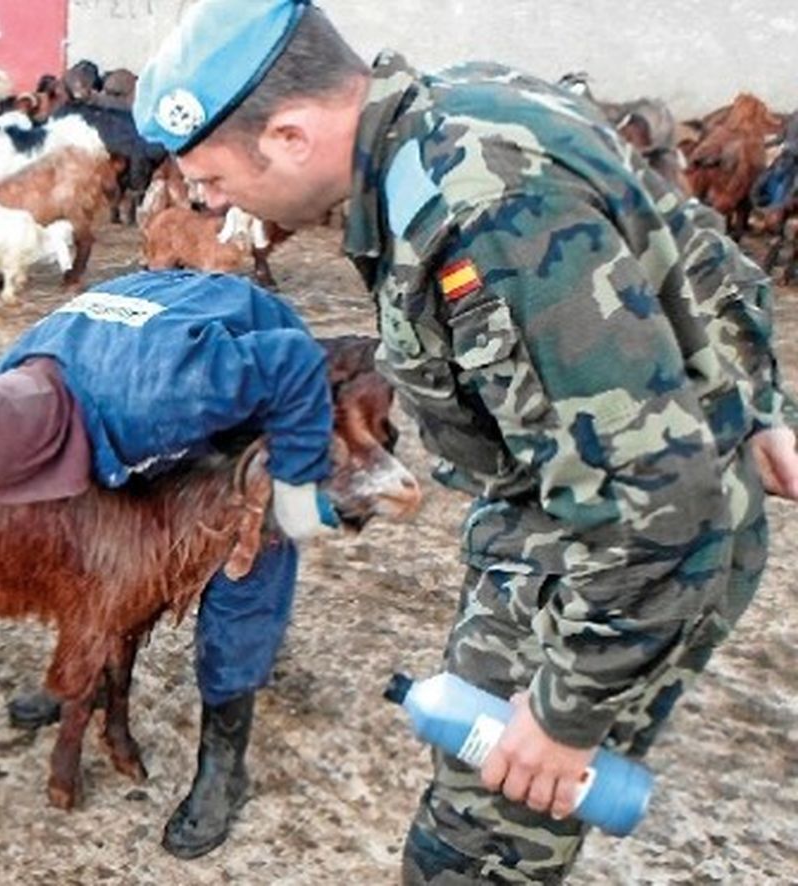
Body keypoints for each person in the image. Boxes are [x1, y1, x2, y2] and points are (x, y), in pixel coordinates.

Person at [133, 1, 798, 881]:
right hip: (579, 524)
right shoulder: (467, 103)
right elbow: (690, 242)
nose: (207, 203)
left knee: (479, 848)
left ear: (290, 136)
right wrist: (755, 399)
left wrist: (564, 717)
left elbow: (657, 504)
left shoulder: (482, 217)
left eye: (210, 179)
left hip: (614, 567)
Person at [0, 270, 343, 858]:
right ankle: (78, 678)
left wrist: (295, 476)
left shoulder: (162, 395)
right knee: (108, 559)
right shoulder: (1, 389)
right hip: (146, 337)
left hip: (260, 376)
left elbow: (293, 360)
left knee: (238, 576)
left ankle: (222, 769)